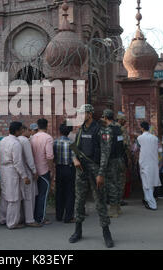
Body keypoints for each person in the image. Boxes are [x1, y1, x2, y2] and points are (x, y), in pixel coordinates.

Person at [69, 104, 114, 248]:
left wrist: (100, 173)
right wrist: (74, 159)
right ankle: (78, 231)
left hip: (95, 169)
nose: (80, 116)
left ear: (89, 114)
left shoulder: (101, 129)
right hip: (81, 169)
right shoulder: (80, 130)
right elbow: (74, 147)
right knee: (79, 200)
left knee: (100, 201)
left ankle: (106, 234)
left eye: (82, 114)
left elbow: (105, 153)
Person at [0, 121, 30, 229]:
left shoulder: (3, 140)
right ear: (17, 131)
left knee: (5, 195)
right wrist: (24, 176)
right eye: (21, 129)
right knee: (14, 197)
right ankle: (12, 223)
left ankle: (3, 218)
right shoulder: (16, 143)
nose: (22, 131)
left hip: (4, 170)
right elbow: (18, 162)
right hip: (12, 171)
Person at [101, 109, 126, 218]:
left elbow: (106, 148)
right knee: (119, 183)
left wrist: (103, 164)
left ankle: (113, 209)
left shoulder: (107, 130)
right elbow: (124, 145)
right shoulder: (119, 129)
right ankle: (118, 207)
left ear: (105, 118)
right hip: (120, 159)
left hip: (111, 161)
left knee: (111, 184)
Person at [30, 118, 54, 225]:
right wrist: (51, 169)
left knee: (36, 194)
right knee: (43, 195)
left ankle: (34, 216)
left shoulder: (32, 137)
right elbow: (49, 156)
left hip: (34, 170)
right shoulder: (48, 138)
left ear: (37, 126)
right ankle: (41, 217)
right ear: (47, 126)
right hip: (44, 170)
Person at [18, 125, 40, 227]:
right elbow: (29, 158)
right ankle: (30, 220)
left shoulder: (17, 139)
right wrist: (34, 170)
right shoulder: (25, 141)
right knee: (29, 197)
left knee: (23, 196)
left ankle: (22, 218)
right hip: (27, 171)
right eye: (29, 130)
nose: (30, 132)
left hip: (20, 171)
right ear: (24, 130)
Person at [53, 122, 76, 223]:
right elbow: (77, 158)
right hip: (69, 169)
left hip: (59, 168)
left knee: (59, 192)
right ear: (69, 131)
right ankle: (68, 216)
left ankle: (59, 215)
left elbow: (52, 156)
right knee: (70, 193)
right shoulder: (72, 143)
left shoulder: (55, 142)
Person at [137, 122, 161, 211]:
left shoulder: (140, 138)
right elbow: (159, 149)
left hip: (144, 163)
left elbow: (135, 148)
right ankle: (148, 200)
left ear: (142, 128)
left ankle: (152, 204)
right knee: (151, 183)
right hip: (153, 163)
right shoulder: (155, 138)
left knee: (146, 184)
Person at [116, 112, 132, 204]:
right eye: (124, 120)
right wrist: (129, 157)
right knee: (121, 178)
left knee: (112, 179)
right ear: (120, 120)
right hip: (122, 156)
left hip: (111, 157)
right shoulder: (122, 129)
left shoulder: (110, 128)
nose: (125, 122)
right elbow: (126, 144)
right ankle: (119, 199)